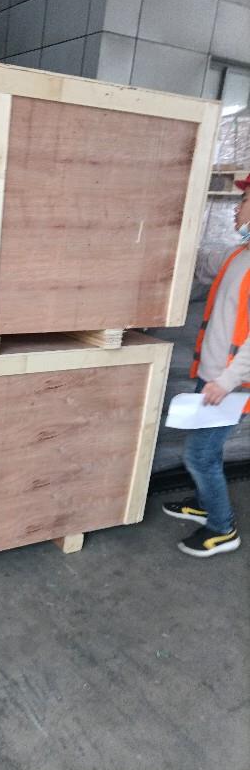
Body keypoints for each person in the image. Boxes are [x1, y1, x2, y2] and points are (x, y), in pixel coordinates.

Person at [162, 174, 250, 557]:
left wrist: (226, 382)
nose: (236, 208)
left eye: (244, 200)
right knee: (205, 451)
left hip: (232, 387)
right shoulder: (239, 255)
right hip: (213, 378)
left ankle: (222, 528)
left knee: (199, 455)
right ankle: (203, 503)